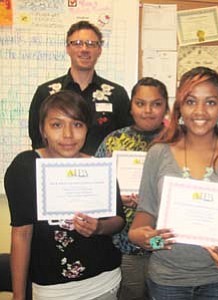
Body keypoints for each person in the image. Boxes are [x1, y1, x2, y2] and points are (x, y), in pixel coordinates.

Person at [128, 66, 218, 300]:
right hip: (167, 278)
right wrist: (143, 238)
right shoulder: (158, 153)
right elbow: (145, 213)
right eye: (190, 101)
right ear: (179, 109)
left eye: (210, 102)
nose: (200, 111)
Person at [5, 90, 125, 300]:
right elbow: (21, 235)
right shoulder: (25, 167)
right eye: (57, 125)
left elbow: (118, 220)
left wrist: (99, 227)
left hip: (103, 282)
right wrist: (18, 295)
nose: (68, 135)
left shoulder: (98, 168)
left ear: (87, 128)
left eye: (77, 124)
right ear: (43, 130)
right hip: (52, 289)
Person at [96, 77, 169, 300]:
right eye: (140, 103)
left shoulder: (178, 140)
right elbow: (95, 189)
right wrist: (117, 199)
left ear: (166, 107)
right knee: (132, 294)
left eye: (156, 104)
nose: (148, 111)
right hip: (126, 247)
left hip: (166, 246)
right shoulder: (114, 141)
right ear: (131, 106)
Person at [28, 20, 132, 156]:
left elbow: (126, 139)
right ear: (67, 49)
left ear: (99, 50)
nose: (84, 49)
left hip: (100, 173)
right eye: (77, 43)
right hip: (56, 172)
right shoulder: (47, 93)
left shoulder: (116, 95)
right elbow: (37, 138)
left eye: (91, 44)